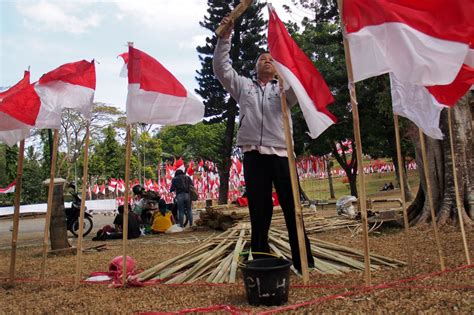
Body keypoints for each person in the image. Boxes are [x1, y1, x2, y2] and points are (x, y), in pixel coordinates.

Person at [212, 17, 314, 272]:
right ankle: (260, 261)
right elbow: (221, 69)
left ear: (278, 67)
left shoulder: (285, 89)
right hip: (253, 155)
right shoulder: (244, 87)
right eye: (262, 59)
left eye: (271, 59)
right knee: (259, 210)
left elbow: (300, 87)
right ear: (255, 67)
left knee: (292, 208)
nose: (266, 61)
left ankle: (304, 262)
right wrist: (225, 37)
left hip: (281, 154)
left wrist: (286, 71)